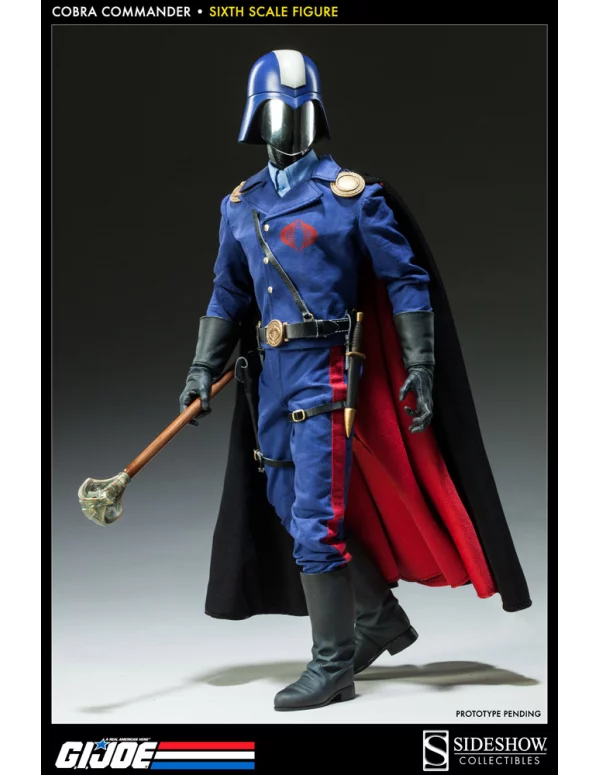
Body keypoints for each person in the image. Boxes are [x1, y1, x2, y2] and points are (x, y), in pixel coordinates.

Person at [179, 50, 531, 712]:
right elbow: (227, 293)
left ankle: (333, 664)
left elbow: (405, 279)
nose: (289, 127)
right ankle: (379, 620)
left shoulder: (350, 197)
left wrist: (421, 362)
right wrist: (203, 365)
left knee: (316, 518)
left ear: (316, 116)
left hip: (325, 374)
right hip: (271, 380)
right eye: (278, 114)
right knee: (287, 504)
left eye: (300, 113)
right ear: (258, 118)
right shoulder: (241, 205)